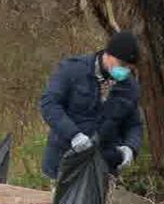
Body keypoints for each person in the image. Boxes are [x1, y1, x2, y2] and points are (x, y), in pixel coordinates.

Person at [40, 31, 143, 180]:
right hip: (63, 165)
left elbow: (134, 124)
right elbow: (49, 104)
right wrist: (73, 134)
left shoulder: (130, 88)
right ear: (107, 54)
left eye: (129, 67)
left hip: (103, 168)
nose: (125, 70)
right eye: (122, 64)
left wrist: (131, 147)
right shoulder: (72, 70)